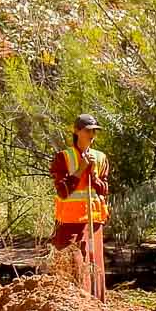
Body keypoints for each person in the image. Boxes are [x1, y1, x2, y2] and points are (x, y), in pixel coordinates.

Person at [50, 114, 109, 298]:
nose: (92, 134)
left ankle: (97, 306)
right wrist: (81, 169)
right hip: (69, 222)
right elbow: (62, 191)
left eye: (94, 131)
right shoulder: (63, 157)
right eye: (88, 130)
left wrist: (94, 176)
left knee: (95, 266)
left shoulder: (100, 158)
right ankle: (69, 306)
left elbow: (104, 189)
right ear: (77, 131)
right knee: (70, 266)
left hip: (94, 222)